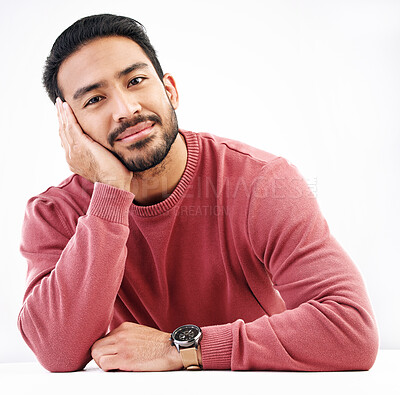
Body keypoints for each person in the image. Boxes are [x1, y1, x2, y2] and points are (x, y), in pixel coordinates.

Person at [18, 14, 379, 373]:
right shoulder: (55, 212)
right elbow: (57, 351)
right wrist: (110, 192)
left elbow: (351, 330)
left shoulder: (262, 184)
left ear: (170, 90)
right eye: (95, 100)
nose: (126, 110)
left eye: (137, 81)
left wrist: (179, 348)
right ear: (71, 126)